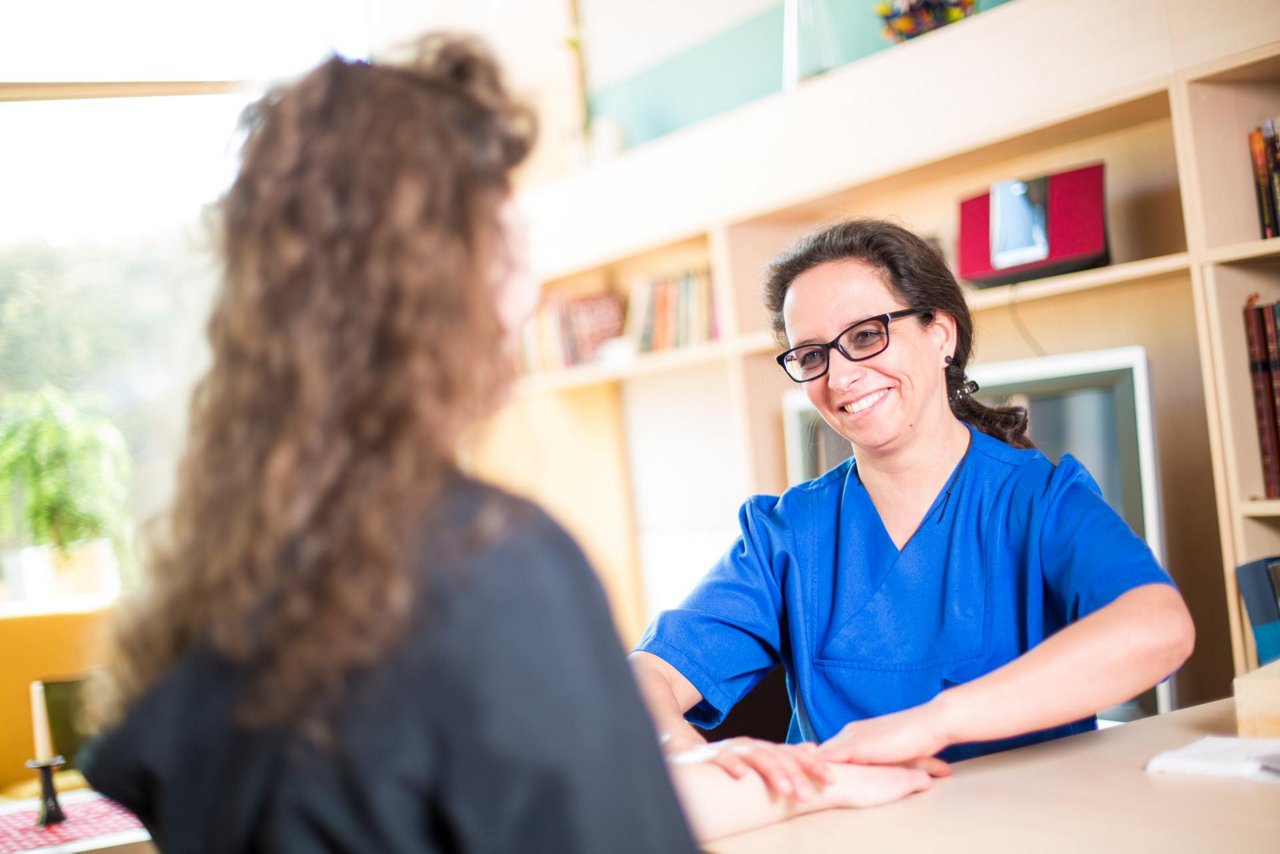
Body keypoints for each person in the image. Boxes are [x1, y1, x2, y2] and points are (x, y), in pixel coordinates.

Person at [80, 40, 932, 852]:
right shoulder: (495, 567)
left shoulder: (216, 589)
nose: (528, 292)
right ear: (440, 284)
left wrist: (805, 781)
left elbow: (494, 802)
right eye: (508, 243)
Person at [631, 218, 1196, 795]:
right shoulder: (785, 535)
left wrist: (929, 725)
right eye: (811, 354)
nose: (842, 375)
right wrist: (675, 748)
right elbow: (648, 674)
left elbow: (1159, 627)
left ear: (941, 334)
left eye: (867, 335)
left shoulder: (1037, 500)